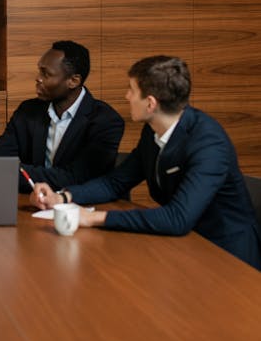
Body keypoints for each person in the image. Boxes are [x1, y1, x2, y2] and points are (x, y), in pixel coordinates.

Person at [34, 55, 261, 270]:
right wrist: (63, 197)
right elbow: (116, 182)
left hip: (228, 255)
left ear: (150, 103)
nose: (127, 96)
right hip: (189, 243)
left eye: (131, 90)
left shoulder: (209, 143)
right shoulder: (153, 131)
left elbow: (177, 218)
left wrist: (93, 218)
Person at [0, 40, 124, 194]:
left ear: (73, 81)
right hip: (32, 204)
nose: (38, 78)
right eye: (39, 71)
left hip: (81, 209)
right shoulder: (27, 111)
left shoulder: (106, 121)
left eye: (46, 74)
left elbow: (76, 179)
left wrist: (13, 171)